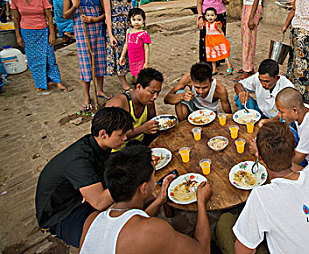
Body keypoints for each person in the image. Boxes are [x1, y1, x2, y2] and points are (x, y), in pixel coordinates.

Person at [216, 120, 309, 254]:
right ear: (294, 151)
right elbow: (293, 166)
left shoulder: (261, 196)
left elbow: (243, 250)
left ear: (259, 157)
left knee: (224, 223)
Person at [79, 145, 213, 254]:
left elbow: (127, 224)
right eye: (153, 175)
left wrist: (160, 199)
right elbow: (202, 250)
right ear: (144, 188)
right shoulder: (153, 230)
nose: (154, 179)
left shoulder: (91, 220)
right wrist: (201, 203)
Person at [35, 107, 133, 248]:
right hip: (63, 213)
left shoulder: (96, 144)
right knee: (108, 241)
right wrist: (131, 174)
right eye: (121, 135)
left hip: (79, 196)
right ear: (103, 133)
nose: (125, 138)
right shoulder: (79, 160)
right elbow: (99, 202)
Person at [62, 0, 109, 112]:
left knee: (100, 61)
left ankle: (100, 90)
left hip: (98, 31)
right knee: (85, 65)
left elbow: (105, 13)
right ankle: (86, 97)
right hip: (82, 33)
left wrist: (94, 19)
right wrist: (75, 6)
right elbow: (65, 15)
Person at [11, 0, 70, 92]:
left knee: (50, 57)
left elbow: (49, 18)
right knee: (33, 59)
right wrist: (18, 36)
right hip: (27, 33)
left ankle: (57, 81)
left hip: (43, 31)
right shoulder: (15, 1)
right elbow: (16, 19)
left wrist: (52, 34)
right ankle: (41, 83)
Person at [106, 68, 162, 150]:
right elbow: (111, 139)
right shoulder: (119, 104)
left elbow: (152, 123)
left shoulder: (149, 102)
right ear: (139, 87)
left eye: (158, 93)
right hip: (119, 152)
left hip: (139, 144)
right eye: (152, 92)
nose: (155, 97)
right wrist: (142, 129)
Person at [164, 62, 232, 121]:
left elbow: (226, 107)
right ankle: (183, 125)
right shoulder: (187, 78)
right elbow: (167, 99)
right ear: (191, 80)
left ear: (211, 81)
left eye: (205, 87)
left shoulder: (220, 89)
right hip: (193, 108)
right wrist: (182, 96)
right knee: (179, 93)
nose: (201, 91)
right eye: (197, 87)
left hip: (210, 113)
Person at [103, 0, 133, 92]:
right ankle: (123, 82)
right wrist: (110, 34)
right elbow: (107, 15)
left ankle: (134, 74)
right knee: (119, 54)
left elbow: (131, 7)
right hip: (116, 27)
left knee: (131, 51)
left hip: (128, 26)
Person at [236, 0, 263, 80]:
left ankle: (247, 69)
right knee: (245, 38)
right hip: (246, 6)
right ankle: (248, 65)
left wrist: (252, 16)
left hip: (253, 7)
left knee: (249, 38)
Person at [196, 0, 229, 65]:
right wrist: (200, 16)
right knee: (206, 38)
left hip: (220, 14)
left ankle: (218, 60)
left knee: (219, 38)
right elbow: (199, 3)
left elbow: (227, 1)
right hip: (207, 16)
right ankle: (206, 61)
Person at [119, 8, 151, 80]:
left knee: (140, 76)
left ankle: (140, 88)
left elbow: (146, 49)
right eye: (134, 20)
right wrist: (122, 56)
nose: (136, 22)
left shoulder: (144, 34)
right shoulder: (129, 31)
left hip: (140, 60)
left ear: (143, 20)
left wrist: (146, 62)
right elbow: (126, 44)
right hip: (131, 59)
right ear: (130, 20)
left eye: (139, 20)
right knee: (134, 73)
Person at [203, 7, 233, 75]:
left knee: (223, 53)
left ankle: (229, 66)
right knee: (212, 55)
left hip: (218, 41)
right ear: (205, 16)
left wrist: (223, 40)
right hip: (209, 42)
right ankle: (214, 69)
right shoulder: (206, 24)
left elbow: (221, 32)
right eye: (208, 15)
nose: (210, 17)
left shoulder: (216, 24)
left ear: (215, 16)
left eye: (212, 15)